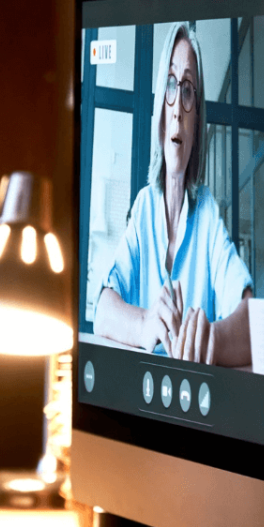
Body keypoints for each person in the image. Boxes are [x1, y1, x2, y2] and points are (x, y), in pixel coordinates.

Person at [93, 22, 254, 366]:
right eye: (170, 84)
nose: (178, 107)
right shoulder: (143, 209)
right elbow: (103, 310)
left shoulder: (207, 213)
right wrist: (144, 323)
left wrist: (208, 339)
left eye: (188, 90)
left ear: (197, 123)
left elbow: (250, 321)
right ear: (160, 113)